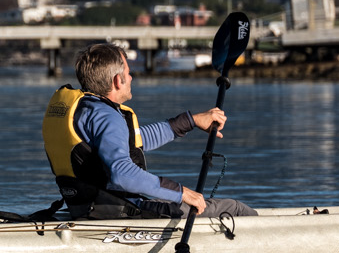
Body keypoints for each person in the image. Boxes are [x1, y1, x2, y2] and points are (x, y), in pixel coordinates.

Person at [43, 41, 254, 219]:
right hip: (120, 211)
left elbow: (132, 140)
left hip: (85, 206)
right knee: (235, 209)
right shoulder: (107, 116)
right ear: (118, 80)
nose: (132, 77)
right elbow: (122, 174)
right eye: (128, 72)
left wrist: (190, 121)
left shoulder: (87, 111)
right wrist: (182, 193)